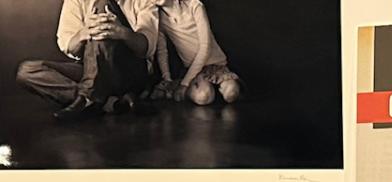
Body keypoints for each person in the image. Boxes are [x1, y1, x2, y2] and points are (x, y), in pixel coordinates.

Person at [16, 0, 158, 121]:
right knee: (28, 71)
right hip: (90, 68)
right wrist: (84, 33)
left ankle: (89, 97)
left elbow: (146, 48)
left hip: (128, 71)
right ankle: (110, 102)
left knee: (102, 6)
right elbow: (68, 46)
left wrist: (122, 33)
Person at [151, 0, 240, 106]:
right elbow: (162, 52)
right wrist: (167, 78)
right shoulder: (159, 19)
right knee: (203, 96)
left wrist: (184, 84)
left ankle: (214, 88)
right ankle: (177, 88)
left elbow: (205, 47)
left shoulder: (194, 6)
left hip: (216, 65)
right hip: (194, 72)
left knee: (231, 92)